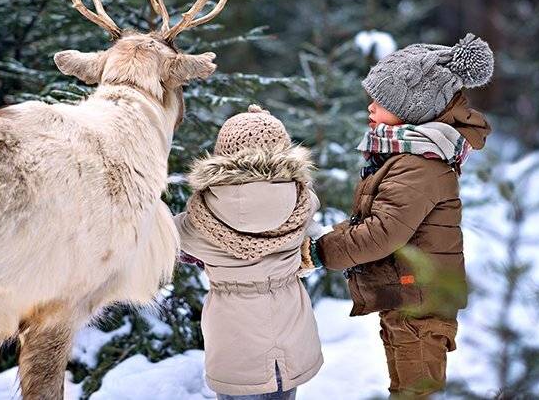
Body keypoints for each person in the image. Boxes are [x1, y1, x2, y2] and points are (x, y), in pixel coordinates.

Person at [301, 33, 493, 397]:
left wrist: (320, 251)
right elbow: (373, 222)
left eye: (381, 101)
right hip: (410, 298)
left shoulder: (419, 164)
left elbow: (381, 233)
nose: (370, 108)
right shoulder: (409, 158)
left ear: (413, 111)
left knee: (415, 392)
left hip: (420, 305)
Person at [174, 105, 323, 400]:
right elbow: (317, 247)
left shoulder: (198, 219)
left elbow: (164, 240)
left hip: (234, 347)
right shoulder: (302, 203)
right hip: (291, 338)